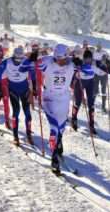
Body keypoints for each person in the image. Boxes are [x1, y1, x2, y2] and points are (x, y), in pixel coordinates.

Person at [29, 43, 92, 174]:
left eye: (62, 59)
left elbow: (90, 73)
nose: (60, 62)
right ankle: (54, 160)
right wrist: (33, 57)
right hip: (49, 98)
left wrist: (81, 63)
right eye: (57, 59)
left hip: (64, 99)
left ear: (66, 56)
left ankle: (58, 146)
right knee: (54, 127)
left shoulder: (71, 63)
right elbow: (29, 66)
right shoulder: (47, 62)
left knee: (61, 130)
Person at [0, 47, 34, 146]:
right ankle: (15, 136)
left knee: (28, 113)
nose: (18, 61)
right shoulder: (6, 61)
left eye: (20, 59)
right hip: (13, 90)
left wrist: (35, 88)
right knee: (15, 112)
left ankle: (28, 133)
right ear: (13, 56)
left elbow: (33, 73)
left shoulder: (26, 61)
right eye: (16, 59)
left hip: (24, 89)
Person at [71, 49, 106, 134]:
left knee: (91, 103)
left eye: (90, 59)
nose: (88, 61)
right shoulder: (80, 62)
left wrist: (107, 66)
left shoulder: (95, 62)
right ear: (84, 58)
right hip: (80, 82)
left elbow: (105, 68)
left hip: (90, 83)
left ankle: (91, 124)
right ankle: (74, 118)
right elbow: (71, 63)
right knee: (78, 102)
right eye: (87, 59)